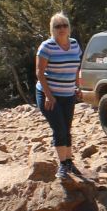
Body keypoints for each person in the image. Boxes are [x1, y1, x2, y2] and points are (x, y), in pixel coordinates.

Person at [34, 12, 85, 180]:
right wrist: (49, 96)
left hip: (68, 94)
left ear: (69, 28)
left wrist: (78, 86)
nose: (62, 29)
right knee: (59, 129)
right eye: (57, 26)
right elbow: (39, 72)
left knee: (67, 129)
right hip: (49, 94)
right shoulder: (46, 46)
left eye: (64, 25)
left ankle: (69, 162)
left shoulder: (74, 44)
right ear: (52, 29)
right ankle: (62, 165)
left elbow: (76, 68)